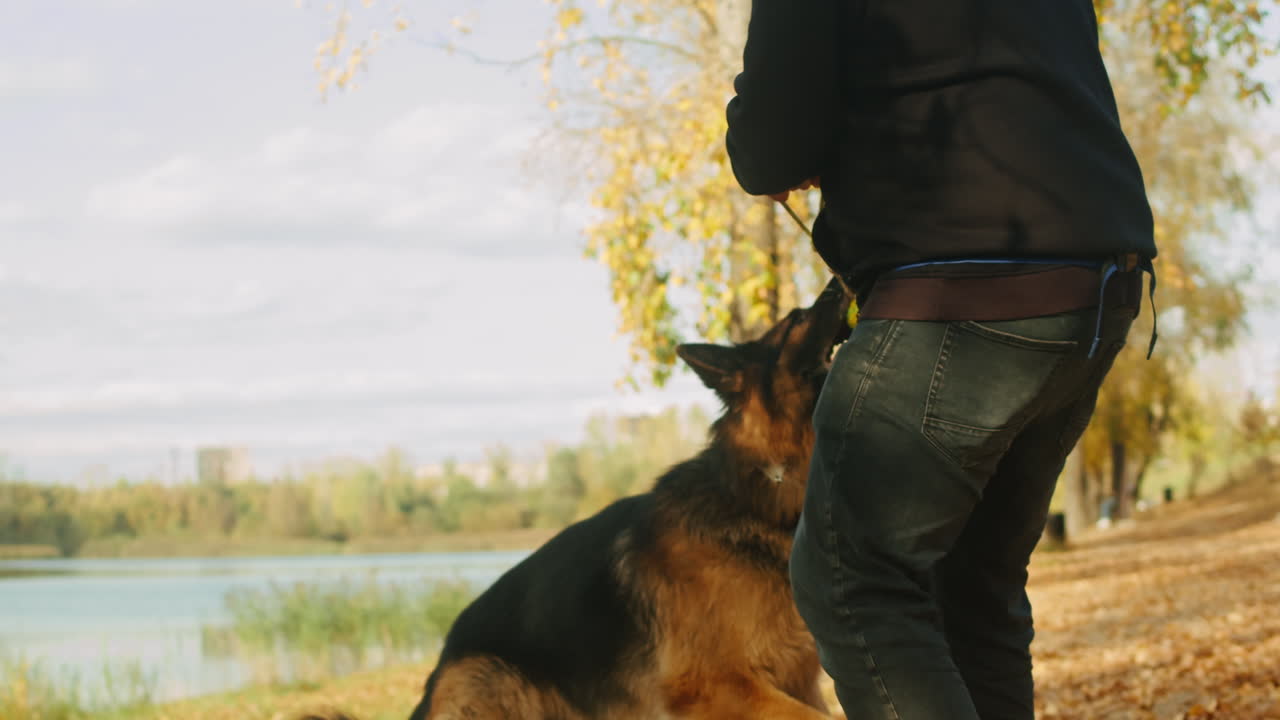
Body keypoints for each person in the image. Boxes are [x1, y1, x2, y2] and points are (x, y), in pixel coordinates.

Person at [725, 1, 1156, 719]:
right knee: (973, 591)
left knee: (850, 581)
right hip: (1095, 283)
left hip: (962, 293)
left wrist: (769, 139)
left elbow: (772, 146)